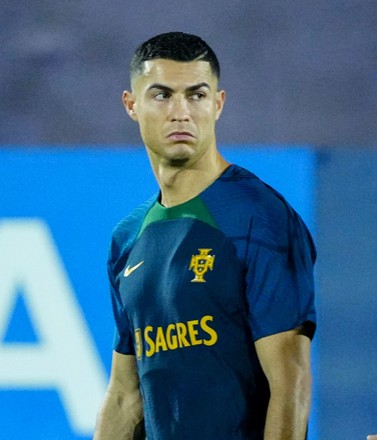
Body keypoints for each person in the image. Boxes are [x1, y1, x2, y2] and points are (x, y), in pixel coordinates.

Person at [93, 31, 316, 440]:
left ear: (218, 103)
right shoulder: (127, 236)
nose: (181, 112)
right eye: (162, 95)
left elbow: (292, 382)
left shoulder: (259, 217)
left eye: (196, 95)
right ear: (131, 104)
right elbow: (126, 396)